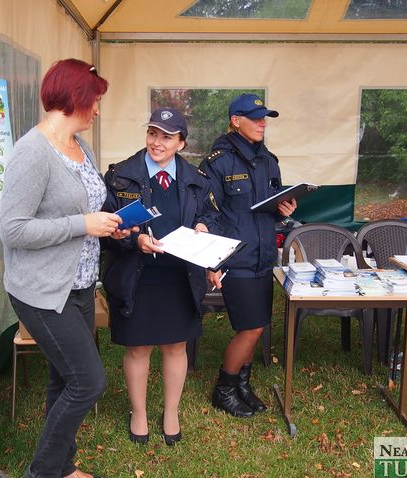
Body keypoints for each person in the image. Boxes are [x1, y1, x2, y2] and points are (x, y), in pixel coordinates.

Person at [0, 59, 131, 478]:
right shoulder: (32, 152)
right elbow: (13, 230)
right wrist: (82, 225)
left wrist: (111, 225)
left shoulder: (80, 146)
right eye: (95, 100)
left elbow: (88, 208)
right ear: (75, 97)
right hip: (42, 291)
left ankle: (62, 467)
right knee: (88, 382)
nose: (98, 110)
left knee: (64, 379)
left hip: (80, 285)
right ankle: (42, 474)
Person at [101, 108, 215, 446]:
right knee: (138, 347)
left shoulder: (196, 178)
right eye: (152, 133)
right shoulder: (120, 176)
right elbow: (105, 228)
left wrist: (204, 225)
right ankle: (138, 413)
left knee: (176, 345)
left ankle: (171, 412)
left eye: (167, 137)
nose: (157, 142)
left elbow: (211, 215)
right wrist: (133, 240)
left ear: (181, 143)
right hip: (137, 274)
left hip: (180, 275)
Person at [199, 93, 297, 418]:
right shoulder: (217, 163)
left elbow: (272, 205)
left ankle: (242, 384)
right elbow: (207, 214)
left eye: (264, 118)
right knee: (251, 328)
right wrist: (214, 261)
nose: (262, 123)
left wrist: (284, 209)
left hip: (263, 256)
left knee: (259, 324)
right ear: (235, 121)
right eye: (255, 118)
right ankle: (224, 388)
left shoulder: (269, 160)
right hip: (235, 259)